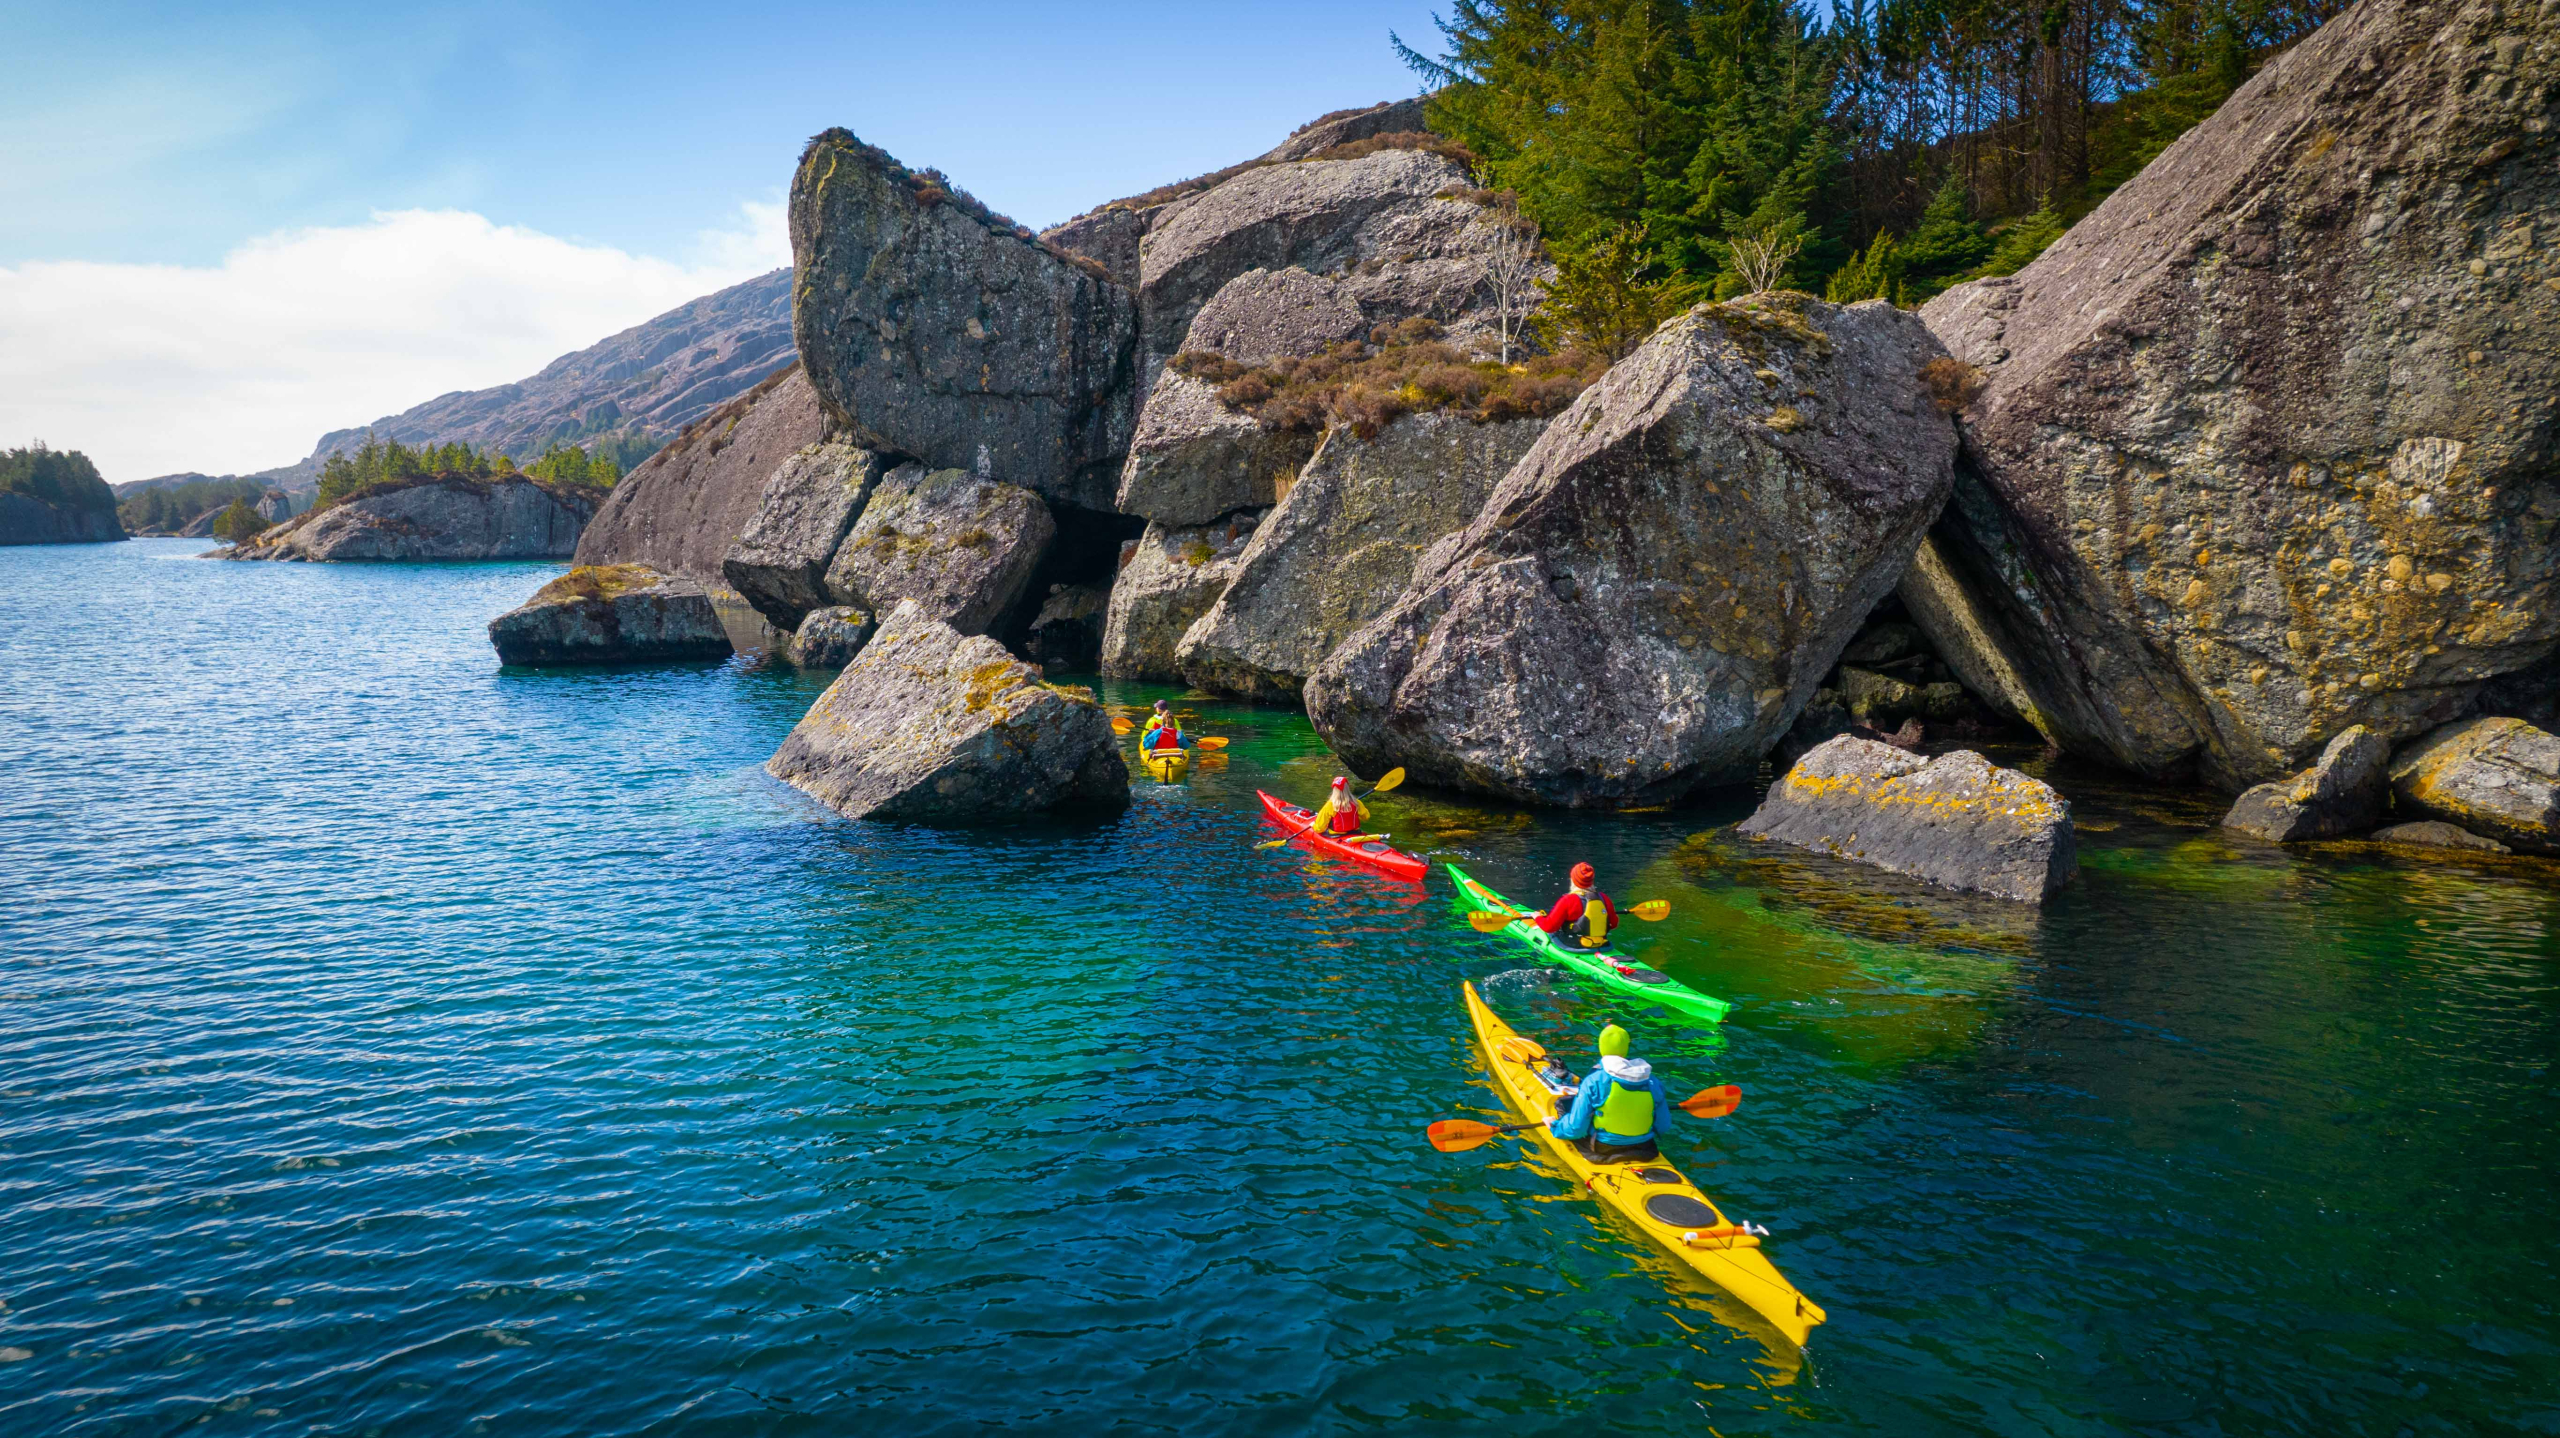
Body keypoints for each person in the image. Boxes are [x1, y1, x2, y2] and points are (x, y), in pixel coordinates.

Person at [1548, 1021, 1669, 1162]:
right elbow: (1663, 1126)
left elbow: (1576, 1129)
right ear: (1626, 1048)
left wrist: (1555, 1127)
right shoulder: (1653, 1082)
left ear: (1602, 1048)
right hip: (1644, 1147)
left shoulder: (1594, 1081)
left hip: (1603, 1148)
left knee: (1565, 1109)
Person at [1535, 862, 1619, 949]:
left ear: (1573, 880)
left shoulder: (1568, 900)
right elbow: (1614, 924)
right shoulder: (1604, 898)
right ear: (1591, 881)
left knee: (1552, 932)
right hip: (1601, 943)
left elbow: (1549, 927)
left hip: (1573, 945)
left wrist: (1537, 917)